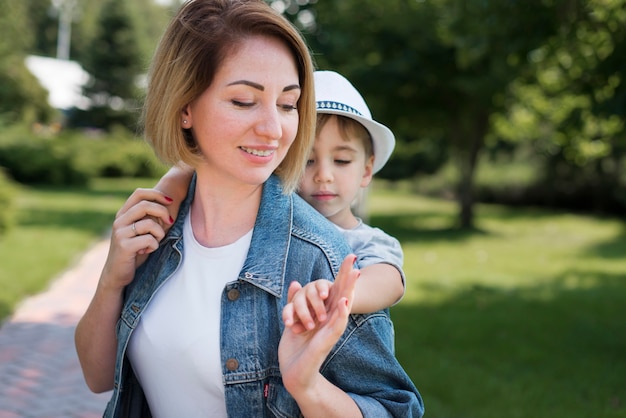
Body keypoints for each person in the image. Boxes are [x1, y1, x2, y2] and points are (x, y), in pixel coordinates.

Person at [75, 1, 424, 417]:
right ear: (184, 106)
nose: (274, 130)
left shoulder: (321, 260)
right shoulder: (155, 228)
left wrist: (308, 388)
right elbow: (97, 378)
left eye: (288, 104)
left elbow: (396, 409)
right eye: (244, 101)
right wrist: (111, 280)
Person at [154, 70, 405, 331]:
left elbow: (389, 281)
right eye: (307, 161)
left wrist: (334, 294)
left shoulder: (367, 242)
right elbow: (200, 163)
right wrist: (167, 193)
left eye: (341, 160)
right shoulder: (260, 217)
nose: (324, 176)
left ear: (366, 170)